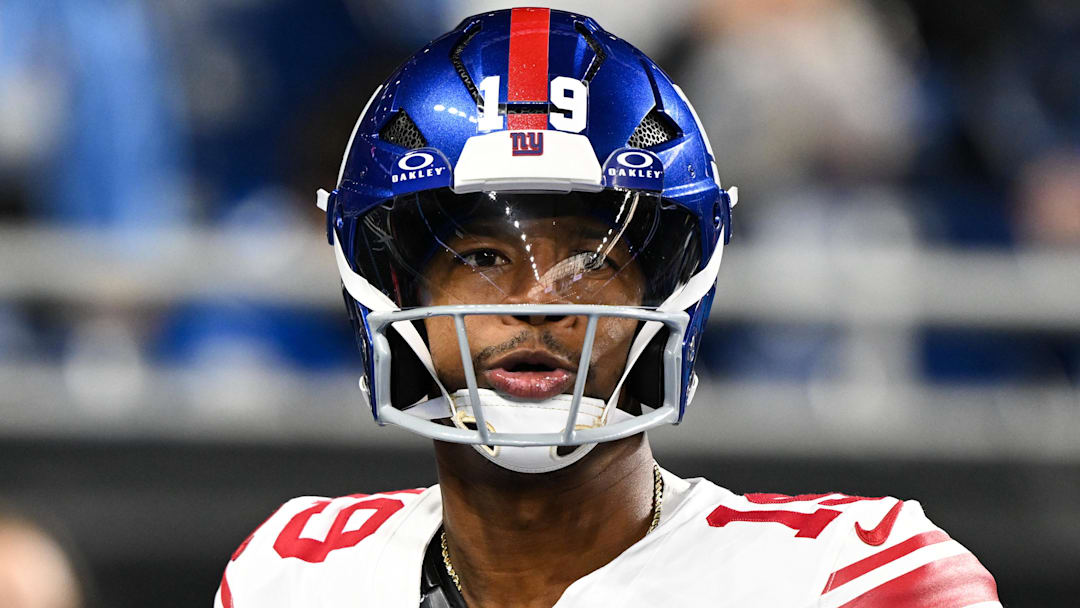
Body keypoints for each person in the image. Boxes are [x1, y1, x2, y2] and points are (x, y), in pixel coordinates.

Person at [216, 8, 1000, 607]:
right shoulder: (296, 575)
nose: (534, 300)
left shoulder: (852, 578)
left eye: (592, 260)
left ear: (669, 290)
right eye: (482, 258)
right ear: (391, 285)